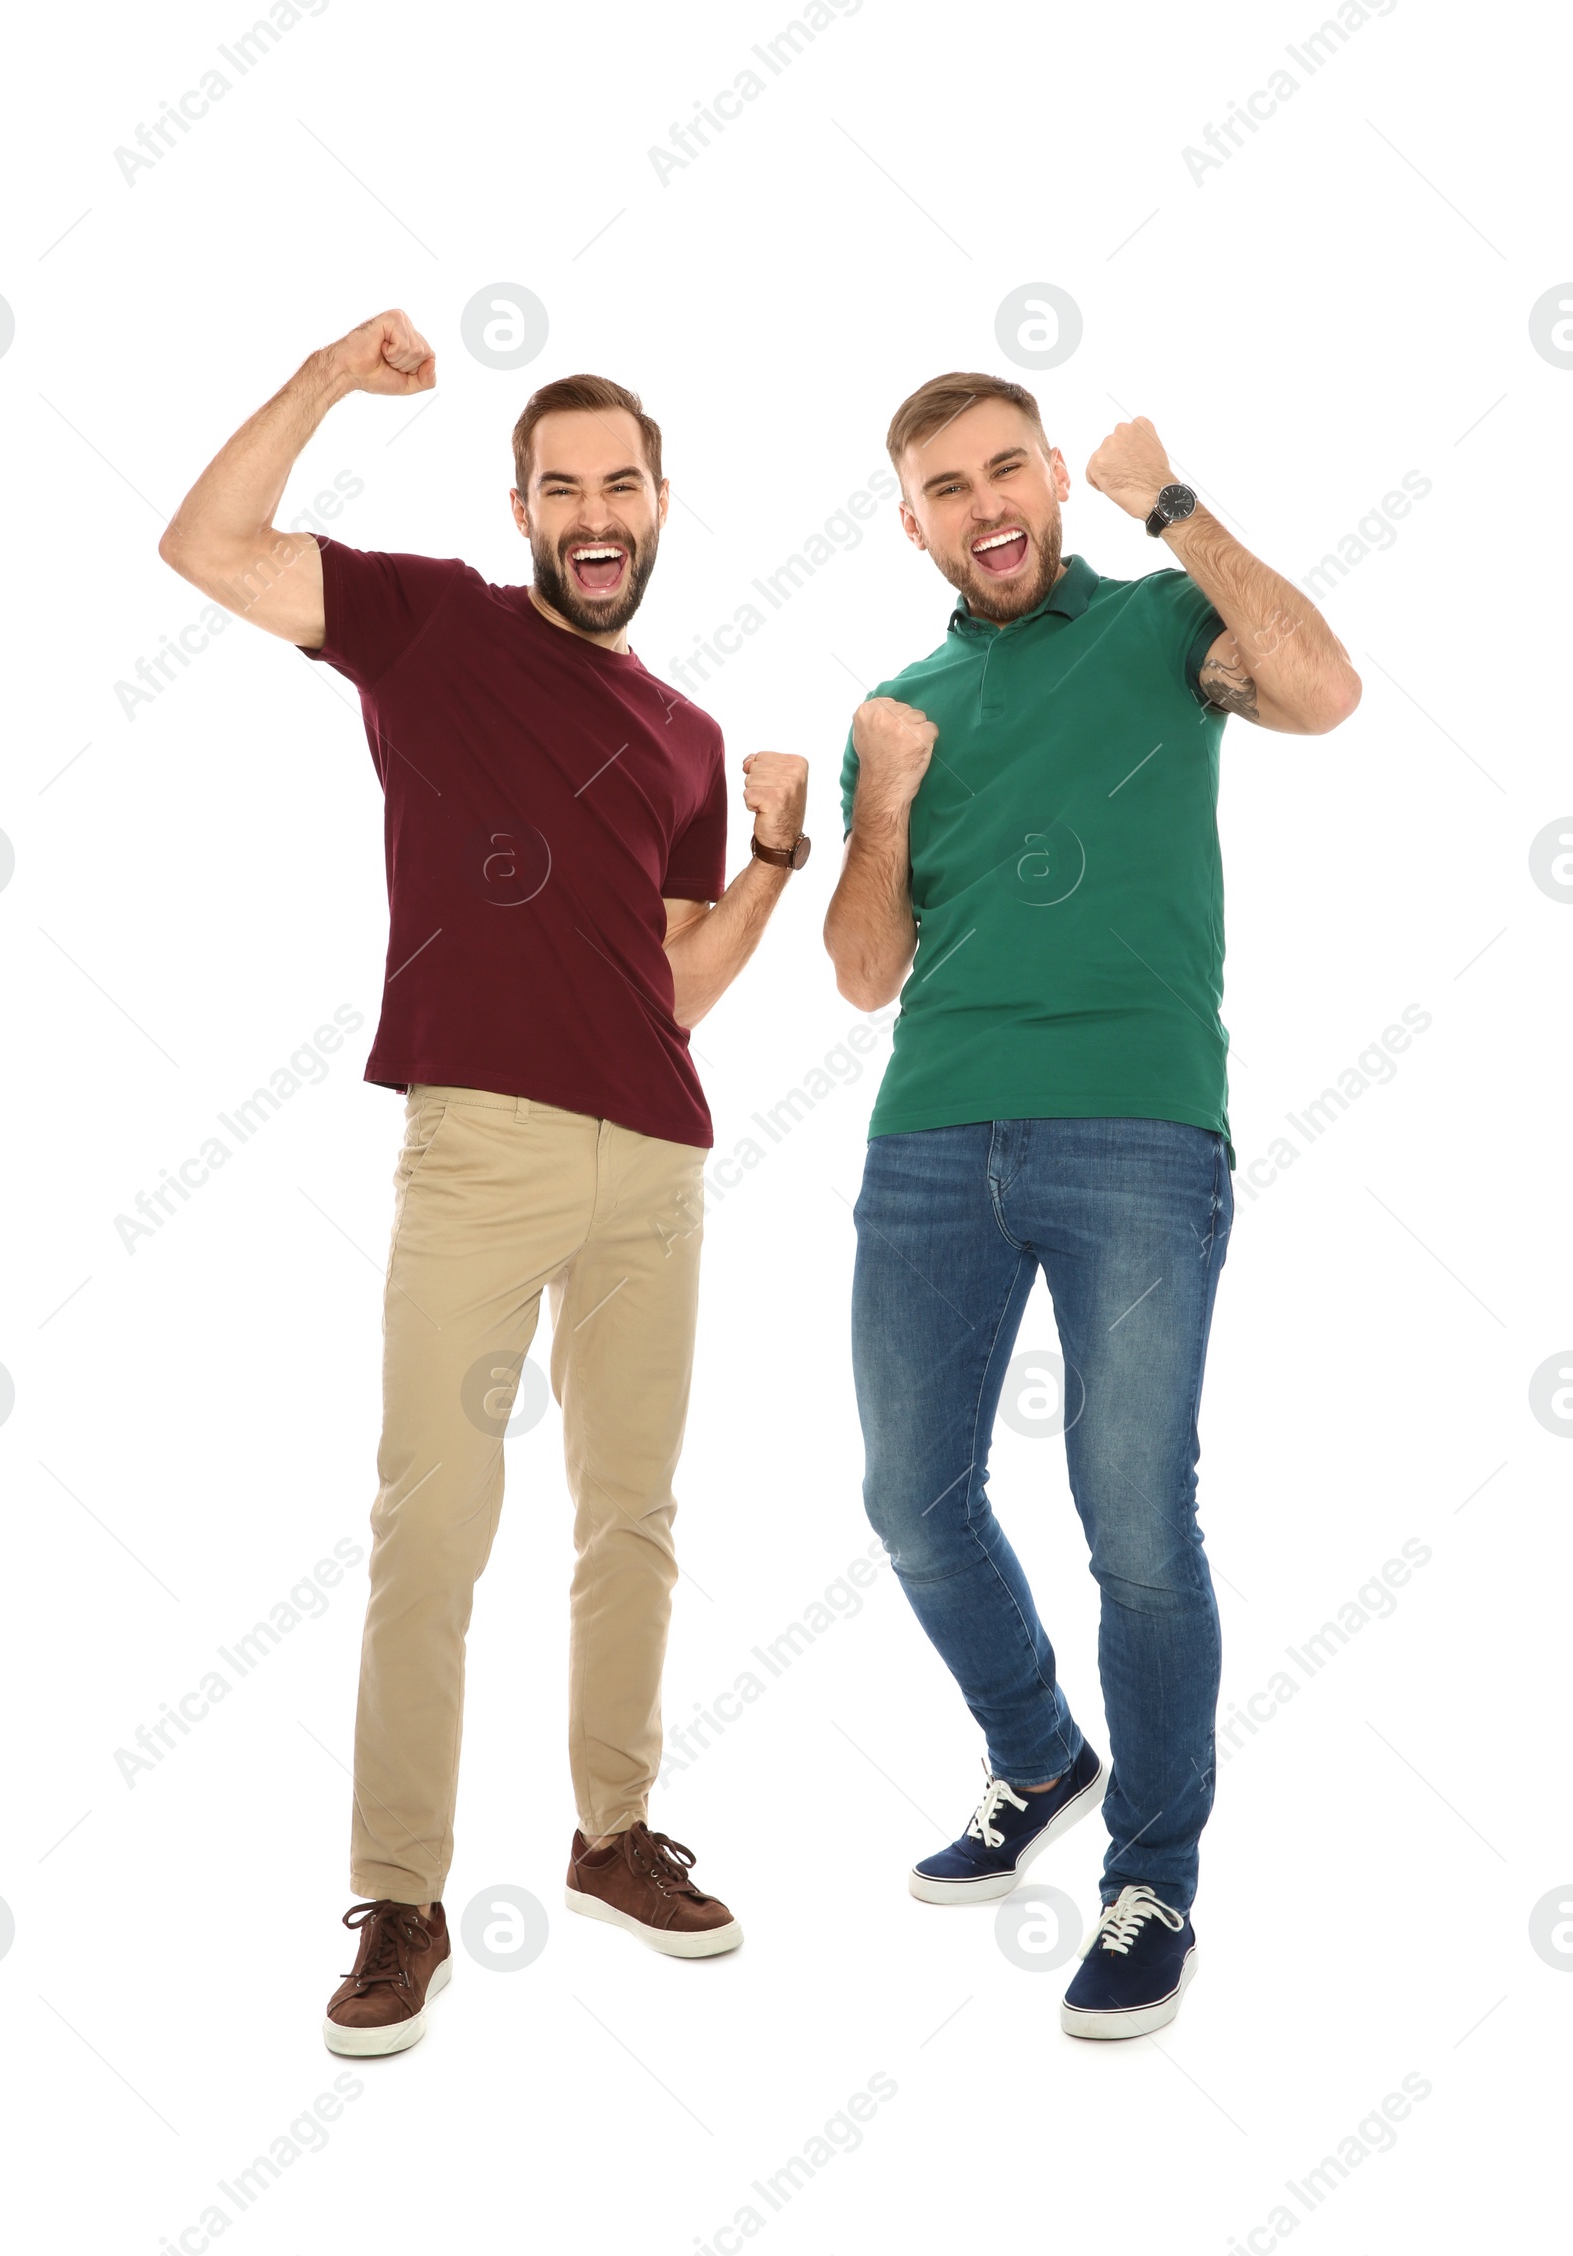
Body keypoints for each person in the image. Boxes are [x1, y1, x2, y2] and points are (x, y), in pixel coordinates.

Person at [158, 310, 811, 2054]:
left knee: (635, 1522)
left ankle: (610, 1837)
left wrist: (769, 854)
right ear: (523, 506)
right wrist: (316, 382)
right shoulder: (433, 620)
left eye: (623, 483)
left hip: (655, 1157)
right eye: (561, 485)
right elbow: (206, 546)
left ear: (662, 502)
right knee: (431, 1528)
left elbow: (671, 980)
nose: (594, 510)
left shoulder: (684, 725)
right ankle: (402, 1899)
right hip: (479, 1151)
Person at [824, 370, 1359, 2038]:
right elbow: (860, 974)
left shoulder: (1158, 630)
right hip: (929, 1139)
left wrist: (1177, 504)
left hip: (1135, 1133)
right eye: (943, 486)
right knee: (911, 1498)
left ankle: (1152, 1876)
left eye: (1007, 470)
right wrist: (883, 794)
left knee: (1136, 1523)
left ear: (1053, 479)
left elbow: (1326, 693)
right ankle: (1039, 1752)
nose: (983, 504)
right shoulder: (898, 703)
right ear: (906, 519)